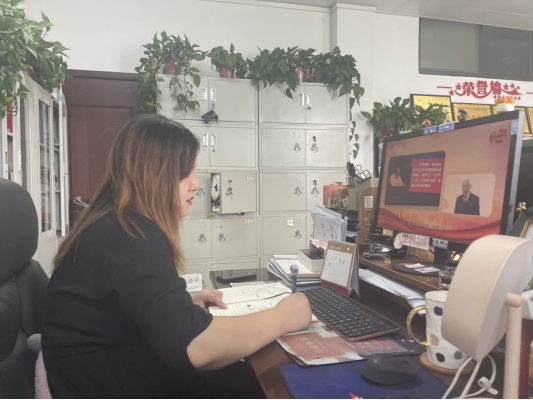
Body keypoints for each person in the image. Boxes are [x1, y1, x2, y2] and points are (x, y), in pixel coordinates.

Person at [41, 114, 312, 398]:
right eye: (186, 174)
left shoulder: (115, 225)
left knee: (249, 376)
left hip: (116, 372)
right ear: (154, 176)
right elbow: (196, 347)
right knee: (271, 384)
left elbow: (118, 310)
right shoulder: (130, 238)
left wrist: (178, 306)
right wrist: (284, 316)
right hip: (117, 385)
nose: (196, 184)